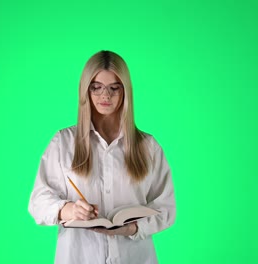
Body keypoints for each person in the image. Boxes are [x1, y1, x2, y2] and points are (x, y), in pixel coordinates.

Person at [28, 50, 176, 264]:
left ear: (125, 92)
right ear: (85, 91)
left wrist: (134, 228)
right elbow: (38, 203)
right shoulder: (63, 142)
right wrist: (69, 210)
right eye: (96, 87)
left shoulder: (148, 147)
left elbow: (166, 208)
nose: (105, 96)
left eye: (114, 88)